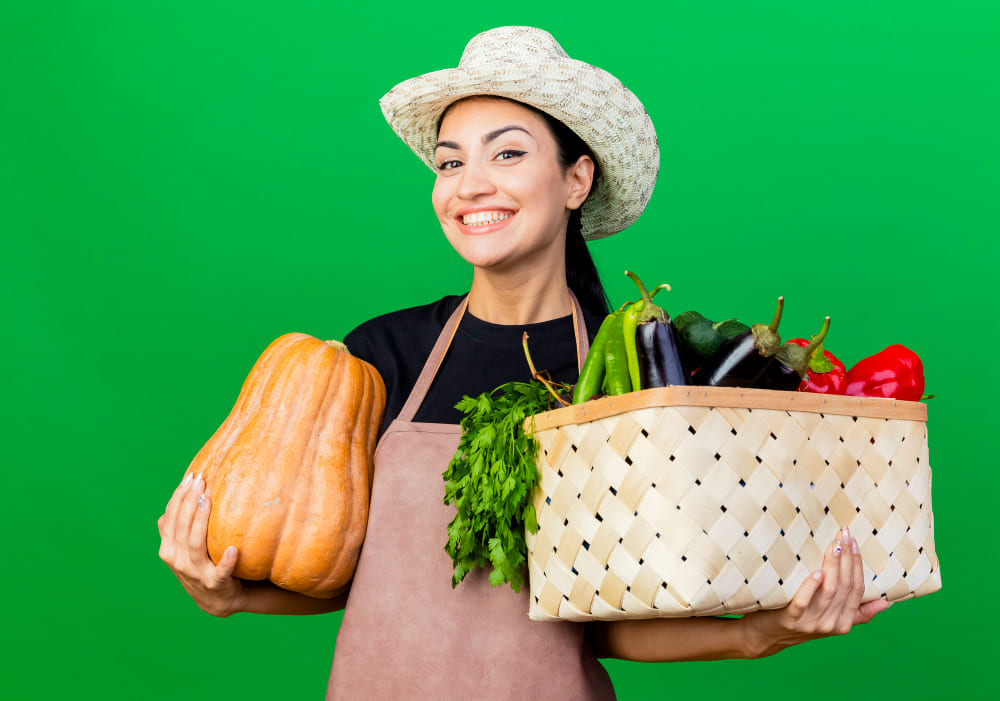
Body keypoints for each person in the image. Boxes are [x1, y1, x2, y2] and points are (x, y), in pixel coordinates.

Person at [157, 26, 892, 700]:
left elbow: (609, 620)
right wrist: (233, 591)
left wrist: (762, 631)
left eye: (507, 153)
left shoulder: (632, 373)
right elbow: (351, 569)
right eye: (451, 162)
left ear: (577, 180)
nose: (470, 184)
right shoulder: (380, 356)